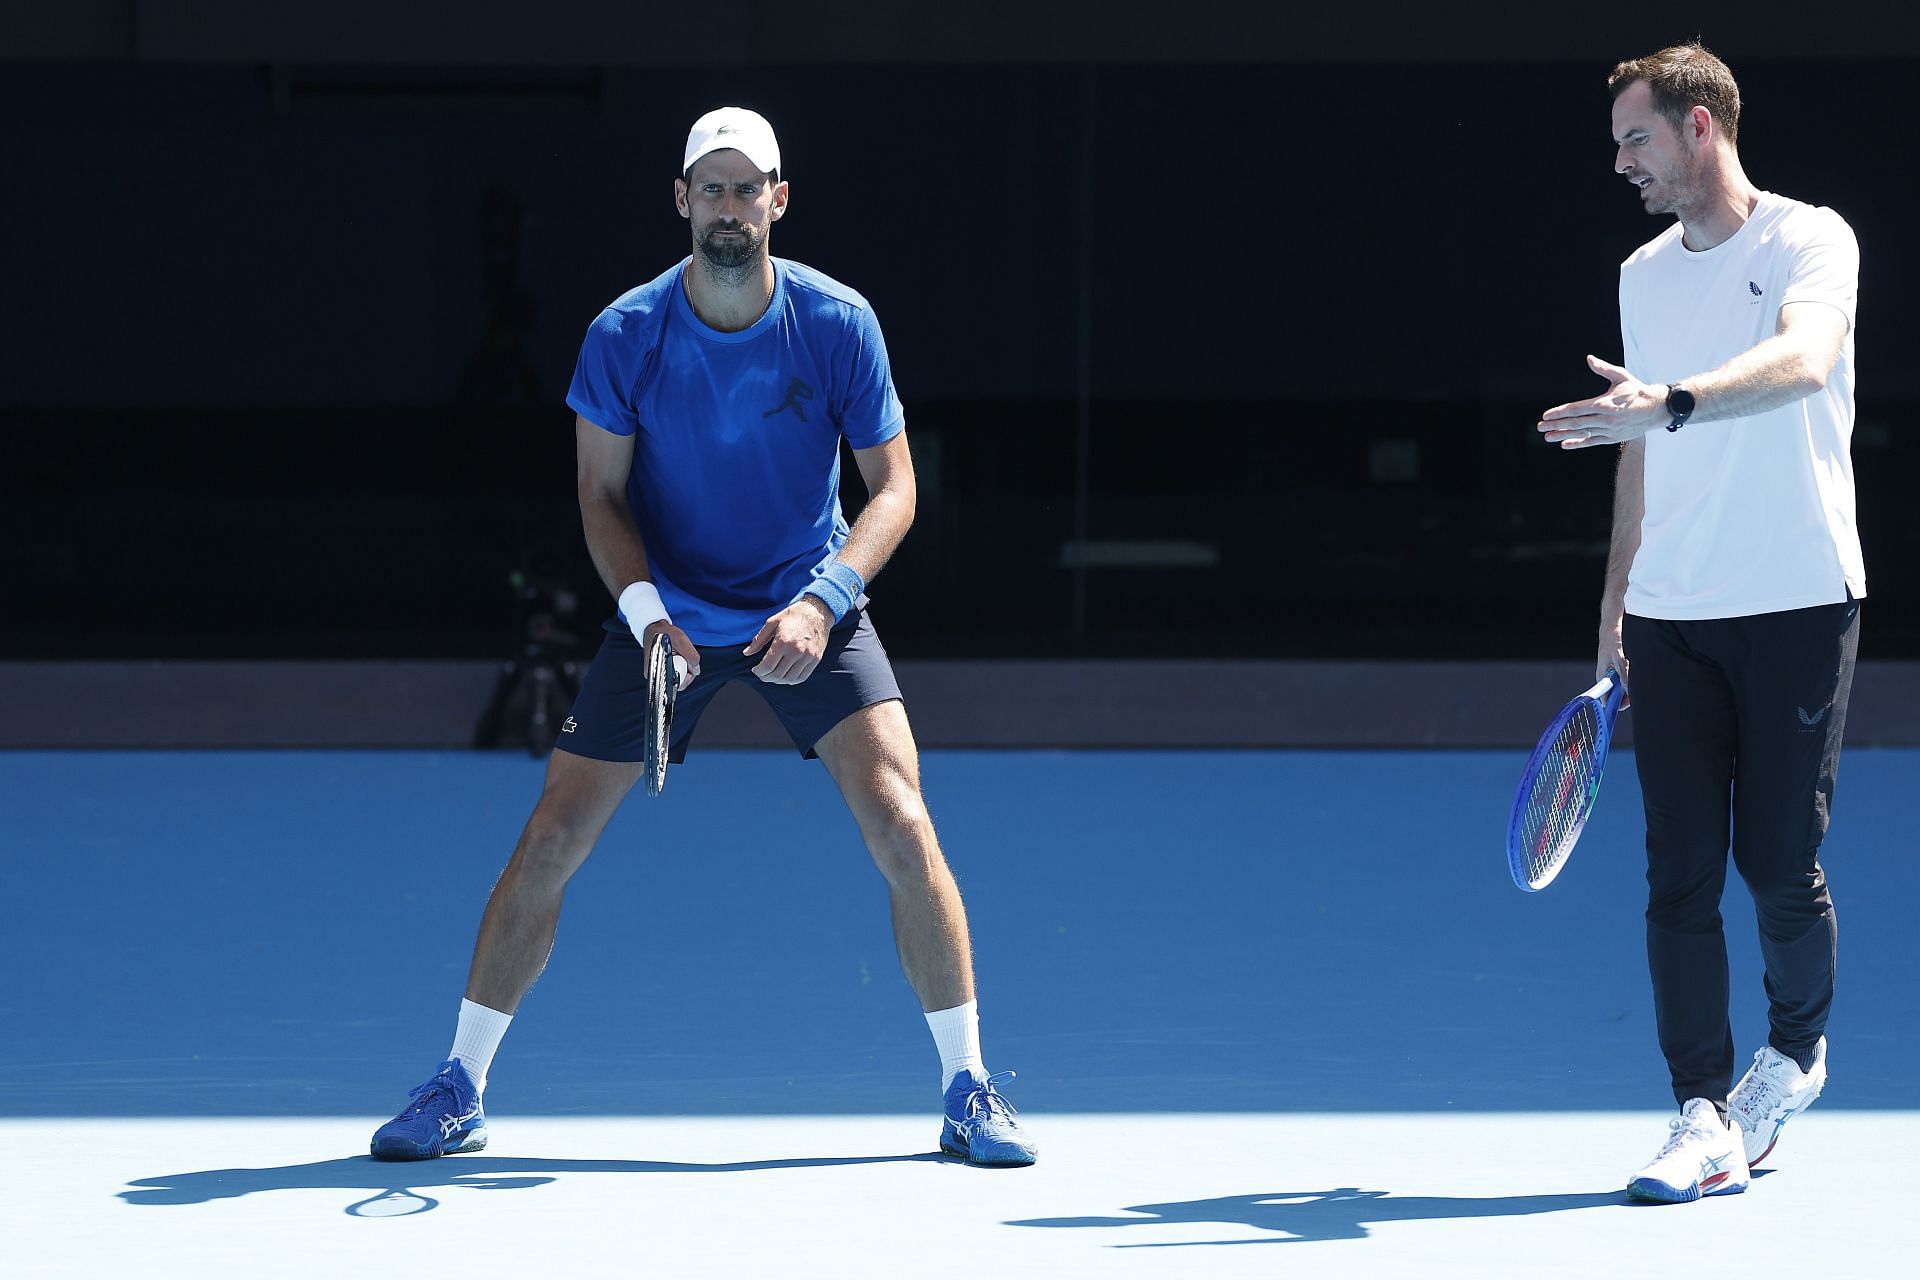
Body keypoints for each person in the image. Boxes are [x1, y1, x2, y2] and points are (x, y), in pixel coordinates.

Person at [370, 107, 1035, 1168]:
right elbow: (599, 496)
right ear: (682, 201)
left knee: (905, 823)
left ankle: (970, 1088)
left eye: (749, 187)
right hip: (663, 612)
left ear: (780, 199)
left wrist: (823, 599)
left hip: (812, 604)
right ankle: (458, 1083)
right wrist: (650, 617)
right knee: (549, 837)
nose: (730, 208)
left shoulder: (838, 323)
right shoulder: (625, 333)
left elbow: (895, 488)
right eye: (711, 188)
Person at [1538, 44, 1860, 1203]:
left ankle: (1798, 1049)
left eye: (1635, 139)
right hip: (1671, 614)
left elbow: (1804, 361)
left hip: (1796, 597)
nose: (1621, 163)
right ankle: (1701, 1109)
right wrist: (1615, 609)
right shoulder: (1641, 272)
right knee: (1677, 872)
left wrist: (1675, 400)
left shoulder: (1811, 241)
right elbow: (1636, 454)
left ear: (1700, 129)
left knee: (1778, 864)